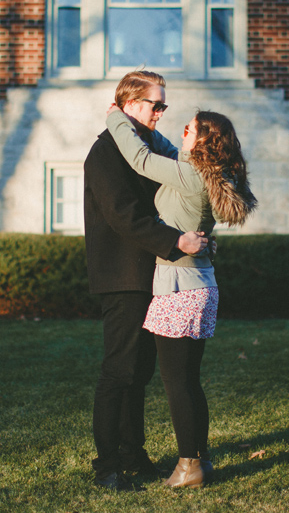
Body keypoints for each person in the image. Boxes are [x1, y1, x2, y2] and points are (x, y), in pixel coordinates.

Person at [104, 103, 257, 489]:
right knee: (188, 379)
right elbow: (165, 146)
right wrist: (143, 123)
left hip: (179, 288)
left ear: (203, 139)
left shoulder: (189, 174)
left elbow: (140, 159)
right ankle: (200, 457)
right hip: (198, 285)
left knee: (178, 384)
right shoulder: (202, 170)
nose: (181, 131)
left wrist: (114, 118)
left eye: (189, 128)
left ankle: (190, 465)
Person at [84, 70, 209, 492]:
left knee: (140, 370)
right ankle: (107, 466)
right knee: (118, 371)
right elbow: (123, 216)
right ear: (130, 104)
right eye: (156, 105)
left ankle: (133, 453)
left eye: (163, 106)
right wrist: (177, 241)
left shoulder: (147, 146)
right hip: (122, 275)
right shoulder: (105, 152)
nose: (161, 113)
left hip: (151, 273)